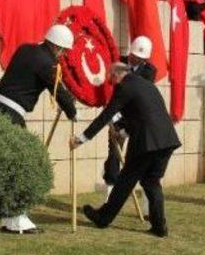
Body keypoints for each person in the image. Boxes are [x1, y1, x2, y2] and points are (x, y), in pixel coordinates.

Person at [0, 24, 78, 234]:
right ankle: (16, 219)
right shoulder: (47, 63)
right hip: (10, 114)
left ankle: (8, 217)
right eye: (63, 51)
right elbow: (60, 92)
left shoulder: (26, 49)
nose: (62, 55)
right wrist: (73, 112)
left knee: (4, 166)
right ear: (57, 47)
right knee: (23, 165)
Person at [71, 61, 181, 237]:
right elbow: (142, 114)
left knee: (125, 181)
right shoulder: (146, 85)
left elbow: (106, 115)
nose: (111, 83)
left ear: (116, 75)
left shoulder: (125, 87)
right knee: (151, 182)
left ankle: (103, 218)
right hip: (167, 140)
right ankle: (160, 226)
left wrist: (82, 138)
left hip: (147, 143)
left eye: (111, 79)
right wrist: (122, 132)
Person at [102, 36, 156, 194]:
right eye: (134, 56)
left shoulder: (149, 71)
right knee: (114, 150)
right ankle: (110, 187)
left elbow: (137, 92)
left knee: (140, 154)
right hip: (118, 113)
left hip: (136, 117)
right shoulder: (120, 61)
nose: (135, 59)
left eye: (140, 58)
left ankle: (145, 195)